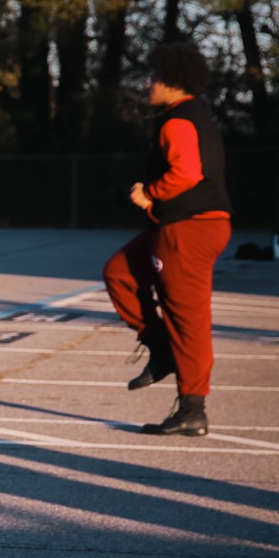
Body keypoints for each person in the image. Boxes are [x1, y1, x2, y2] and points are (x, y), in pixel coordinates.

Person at [102, 41, 233, 436]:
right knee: (120, 273)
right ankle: (161, 350)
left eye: (155, 77)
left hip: (187, 229)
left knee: (187, 317)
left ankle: (192, 408)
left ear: (174, 81)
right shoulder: (191, 116)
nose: (149, 83)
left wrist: (151, 193)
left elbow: (187, 173)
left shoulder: (178, 121)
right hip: (179, 226)